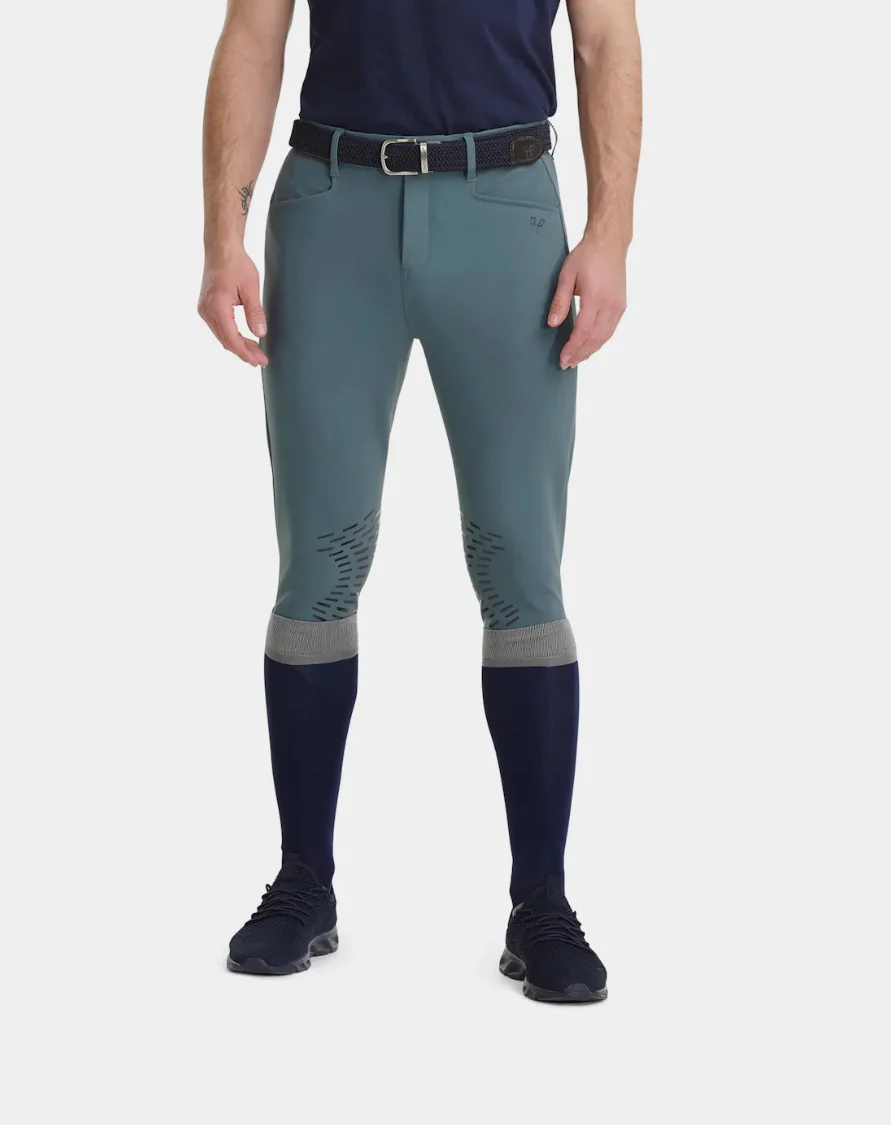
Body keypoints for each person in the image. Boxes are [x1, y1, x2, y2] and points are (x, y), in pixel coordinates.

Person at [198, 0, 641, 1003]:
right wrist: (223, 237)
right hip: (331, 207)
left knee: (520, 563)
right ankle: (303, 881)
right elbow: (254, 36)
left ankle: (541, 900)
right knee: (319, 560)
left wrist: (610, 234)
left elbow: (604, 36)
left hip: (506, 206)